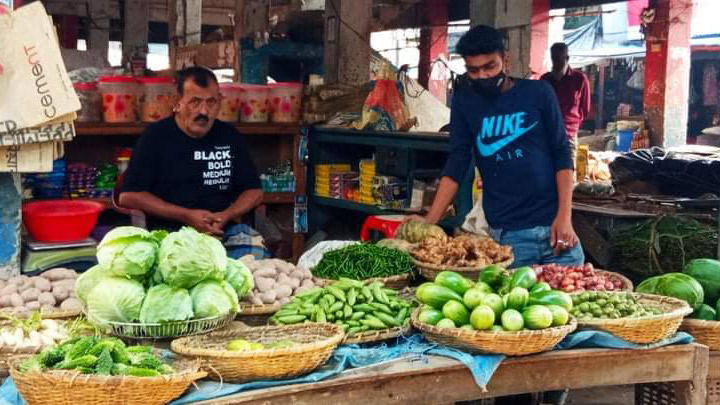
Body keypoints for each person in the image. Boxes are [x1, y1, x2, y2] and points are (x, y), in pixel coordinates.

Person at [411, 25, 584, 268]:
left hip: (556, 227)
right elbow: (457, 162)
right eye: (473, 70)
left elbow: (562, 154)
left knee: (574, 298)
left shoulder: (539, 93)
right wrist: (430, 220)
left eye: (490, 66)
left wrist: (565, 217)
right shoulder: (465, 102)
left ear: (506, 59)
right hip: (510, 236)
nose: (482, 76)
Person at [119, 66, 267, 258]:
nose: (203, 111)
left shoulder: (229, 136)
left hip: (224, 230)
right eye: (195, 102)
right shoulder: (155, 137)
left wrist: (227, 215)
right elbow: (129, 195)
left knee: (256, 263)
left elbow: (254, 192)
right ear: (177, 102)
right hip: (172, 234)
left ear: (220, 102)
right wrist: (186, 216)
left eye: (211, 102)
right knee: (183, 273)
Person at [541, 42, 591, 159]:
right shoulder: (544, 80)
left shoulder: (580, 79)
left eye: (559, 60)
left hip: (569, 135)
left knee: (567, 170)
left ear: (567, 58)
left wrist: (573, 125)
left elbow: (585, 109)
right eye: (554, 60)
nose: (556, 64)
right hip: (547, 134)